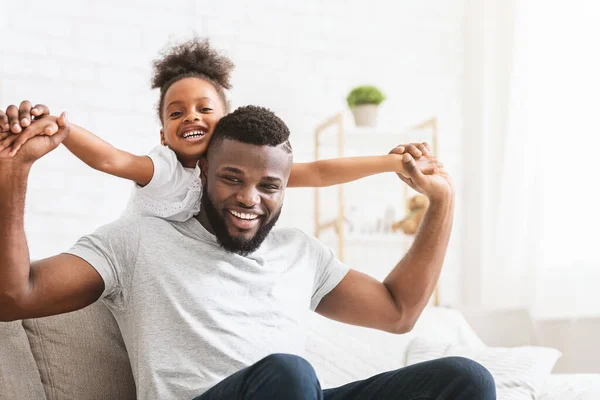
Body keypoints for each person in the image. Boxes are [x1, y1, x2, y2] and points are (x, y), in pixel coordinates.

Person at [0, 103, 496, 399]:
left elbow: (399, 312)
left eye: (269, 186)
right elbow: (15, 298)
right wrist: (15, 171)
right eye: (232, 179)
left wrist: (442, 201)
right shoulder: (138, 239)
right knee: (289, 372)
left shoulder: (301, 252)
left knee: (463, 378)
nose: (249, 199)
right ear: (203, 173)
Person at [0, 38, 435, 222]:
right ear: (162, 135)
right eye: (176, 114)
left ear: (225, 121)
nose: (190, 117)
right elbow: (112, 159)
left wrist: (393, 162)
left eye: (203, 109)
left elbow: (317, 172)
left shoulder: (238, 167)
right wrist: (61, 127)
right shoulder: (164, 169)